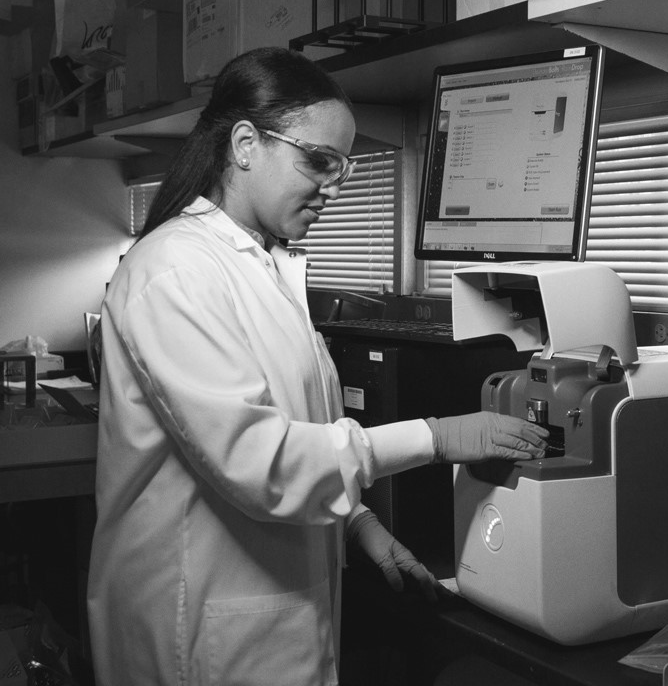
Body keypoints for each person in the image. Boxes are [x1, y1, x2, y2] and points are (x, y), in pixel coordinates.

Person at [86, 47, 548, 686]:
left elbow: (305, 425)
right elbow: (260, 460)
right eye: (319, 161)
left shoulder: (262, 264)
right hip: (200, 630)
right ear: (246, 144)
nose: (335, 184)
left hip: (267, 620)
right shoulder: (174, 273)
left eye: (344, 166)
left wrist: (358, 523)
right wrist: (435, 437)